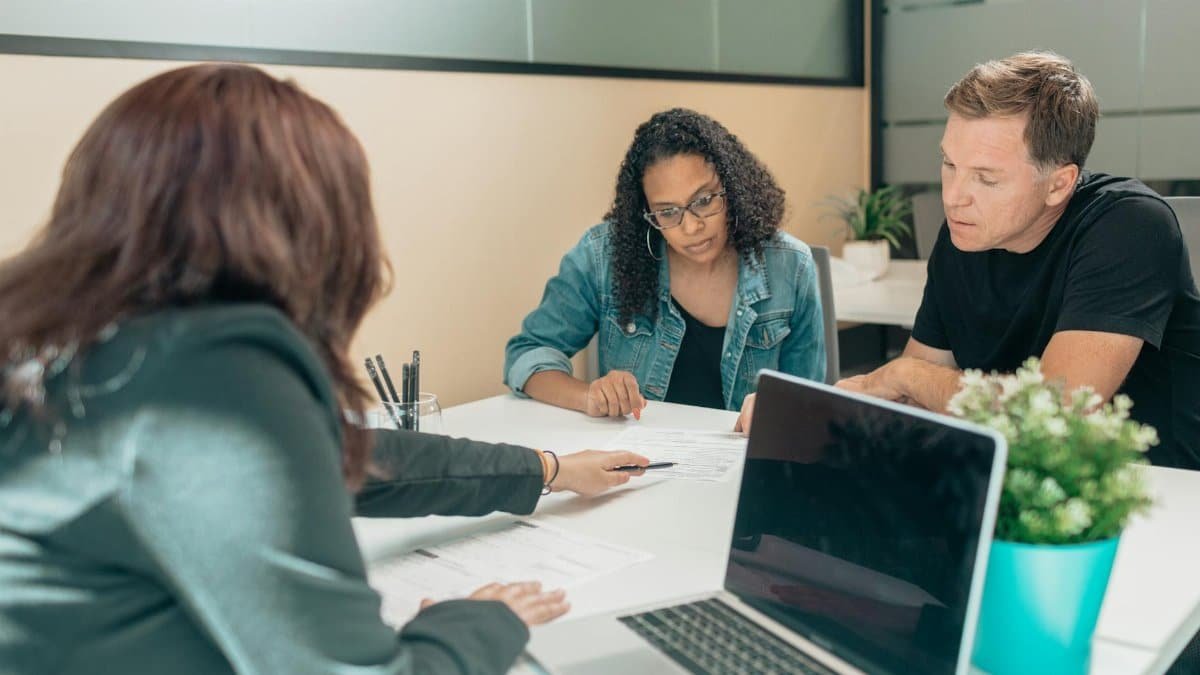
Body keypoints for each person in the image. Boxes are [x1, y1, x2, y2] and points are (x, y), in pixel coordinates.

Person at [0, 64, 649, 675]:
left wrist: (549, 469)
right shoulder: (209, 369)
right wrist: (479, 621)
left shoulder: (72, 343)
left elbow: (350, 454)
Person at [737, 52, 1200, 471]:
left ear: (1059, 184)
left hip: (1155, 498)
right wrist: (810, 408)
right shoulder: (965, 235)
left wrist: (906, 373)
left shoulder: (1130, 224)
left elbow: (1057, 411)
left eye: (987, 179)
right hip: (1017, 486)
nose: (955, 197)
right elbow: (908, 402)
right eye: (949, 165)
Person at [504, 108, 825, 419]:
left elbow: (810, 400)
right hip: (636, 465)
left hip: (741, 464)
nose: (691, 227)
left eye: (703, 201)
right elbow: (527, 354)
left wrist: (780, 410)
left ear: (734, 188)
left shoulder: (790, 265)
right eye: (668, 212)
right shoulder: (603, 256)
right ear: (647, 212)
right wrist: (589, 396)